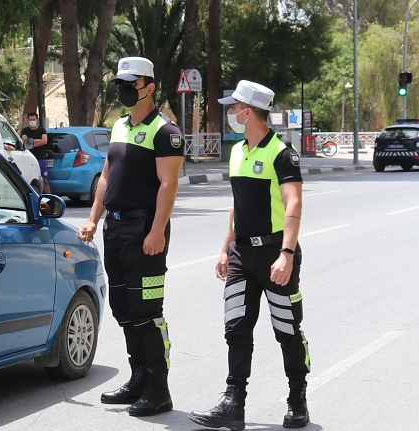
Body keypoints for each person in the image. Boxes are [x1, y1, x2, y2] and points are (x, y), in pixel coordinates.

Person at [188, 80, 309, 430]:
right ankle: (233, 403)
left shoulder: (282, 153)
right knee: (236, 329)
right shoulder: (238, 151)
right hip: (242, 253)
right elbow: (237, 205)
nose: (229, 113)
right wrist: (225, 248)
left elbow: (293, 203)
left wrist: (286, 252)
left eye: (233, 107)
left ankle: (297, 400)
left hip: (274, 253)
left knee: (287, 330)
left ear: (249, 111)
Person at [78, 56, 184, 417]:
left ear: (149, 87)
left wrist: (156, 231)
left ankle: (159, 388)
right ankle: (138, 378)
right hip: (116, 229)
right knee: (124, 308)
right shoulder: (119, 127)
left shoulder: (166, 132)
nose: (123, 89)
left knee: (147, 311)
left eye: (130, 84)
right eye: (120, 83)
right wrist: (94, 219)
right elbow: (106, 176)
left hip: (145, 230)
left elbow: (168, 185)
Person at [21, 112, 50, 193]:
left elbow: (44, 141)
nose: (32, 121)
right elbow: (25, 142)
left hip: (40, 158)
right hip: (29, 159)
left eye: (34, 119)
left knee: (45, 181)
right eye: (30, 120)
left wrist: (31, 143)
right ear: (28, 120)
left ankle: (50, 200)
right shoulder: (25, 130)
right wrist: (37, 140)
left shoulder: (42, 130)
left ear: (37, 119)